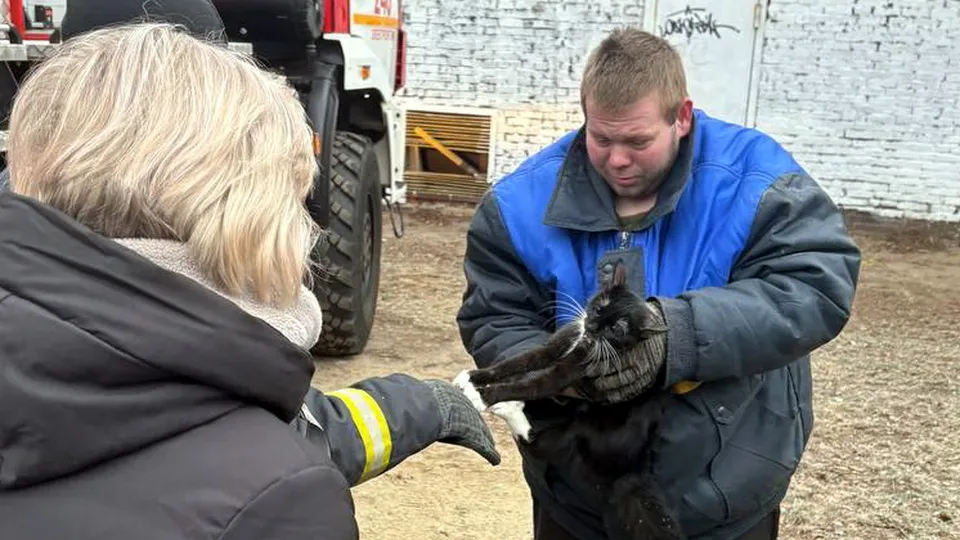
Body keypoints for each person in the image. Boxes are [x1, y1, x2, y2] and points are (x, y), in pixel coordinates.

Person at [0, 22, 498, 539]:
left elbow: (232, 429)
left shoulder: (61, 364)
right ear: (247, 211)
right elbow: (242, 456)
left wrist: (417, 406)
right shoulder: (280, 497)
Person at [456, 27, 862, 540]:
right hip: (577, 493)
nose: (617, 159)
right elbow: (495, 314)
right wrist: (562, 376)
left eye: (638, 141)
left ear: (682, 117)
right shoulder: (517, 205)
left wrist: (676, 337)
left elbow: (813, 288)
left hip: (728, 487)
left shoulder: (759, 184)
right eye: (600, 138)